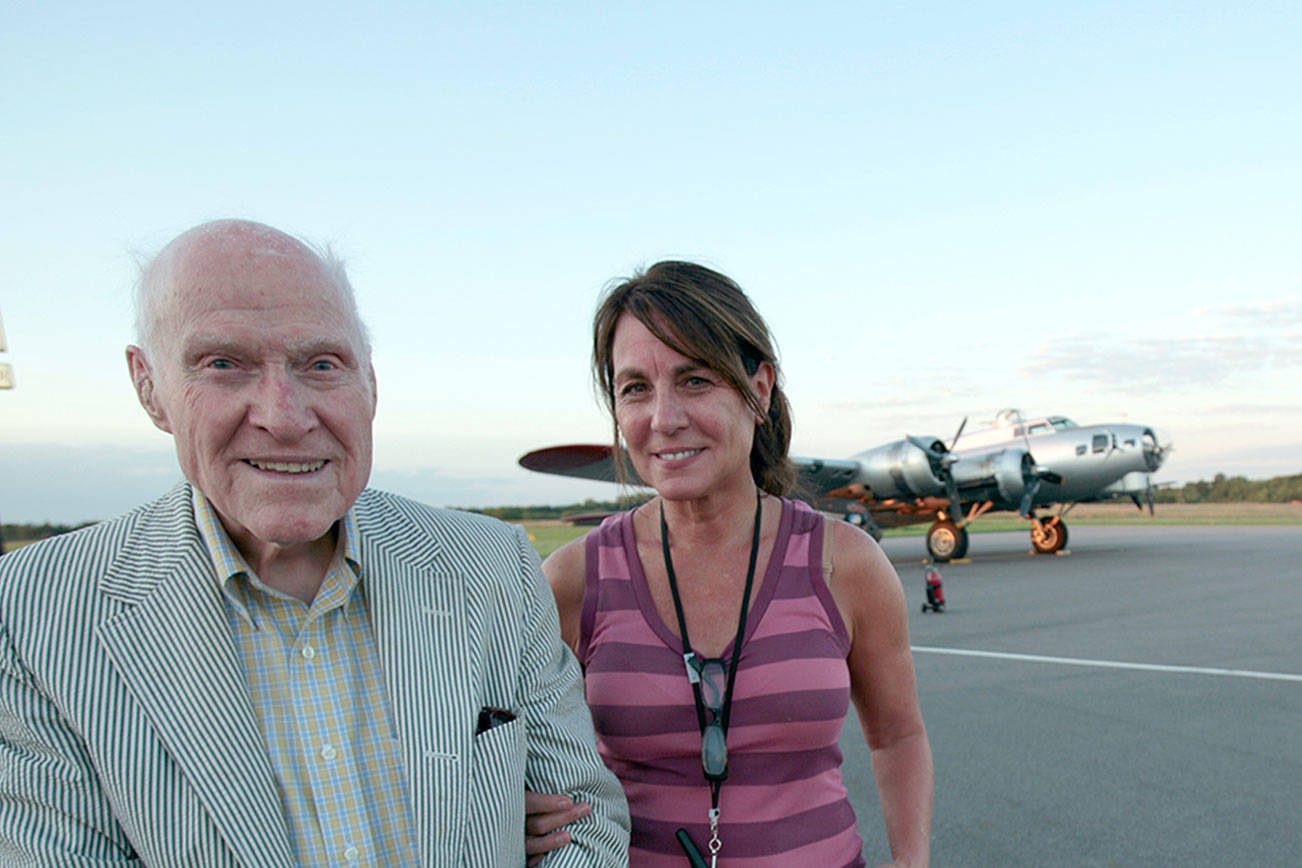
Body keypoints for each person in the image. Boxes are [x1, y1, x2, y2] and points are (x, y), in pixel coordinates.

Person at [0, 219, 629, 866]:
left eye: (321, 364)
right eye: (224, 364)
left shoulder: (495, 563)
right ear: (149, 387)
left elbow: (586, 824)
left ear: (371, 386)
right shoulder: (31, 612)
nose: (285, 416)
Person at [528, 262, 932, 867]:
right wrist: (513, 808)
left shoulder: (845, 564)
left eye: (694, 380)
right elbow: (506, 753)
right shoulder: (572, 580)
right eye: (635, 387)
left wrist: (911, 862)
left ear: (760, 389)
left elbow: (898, 736)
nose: (663, 418)